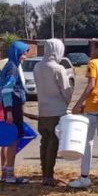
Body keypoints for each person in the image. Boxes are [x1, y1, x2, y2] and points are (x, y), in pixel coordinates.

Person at [70, 40, 98, 189]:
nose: (90, 51)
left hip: (93, 106)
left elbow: (91, 85)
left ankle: (84, 176)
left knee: (87, 142)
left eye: (93, 48)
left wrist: (79, 102)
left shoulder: (93, 63)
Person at [34, 39, 73, 186]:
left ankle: (45, 173)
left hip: (42, 110)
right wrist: (67, 103)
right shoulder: (58, 68)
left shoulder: (37, 67)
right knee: (53, 143)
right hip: (56, 111)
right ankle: (49, 176)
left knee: (44, 142)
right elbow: (66, 90)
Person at [0, 41, 31, 184]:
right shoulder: (12, 68)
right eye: (24, 53)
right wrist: (9, 112)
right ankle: (10, 175)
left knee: (11, 141)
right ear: (17, 53)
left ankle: (6, 173)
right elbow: (6, 91)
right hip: (13, 108)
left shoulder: (12, 66)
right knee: (13, 141)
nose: (25, 56)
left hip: (14, 107)